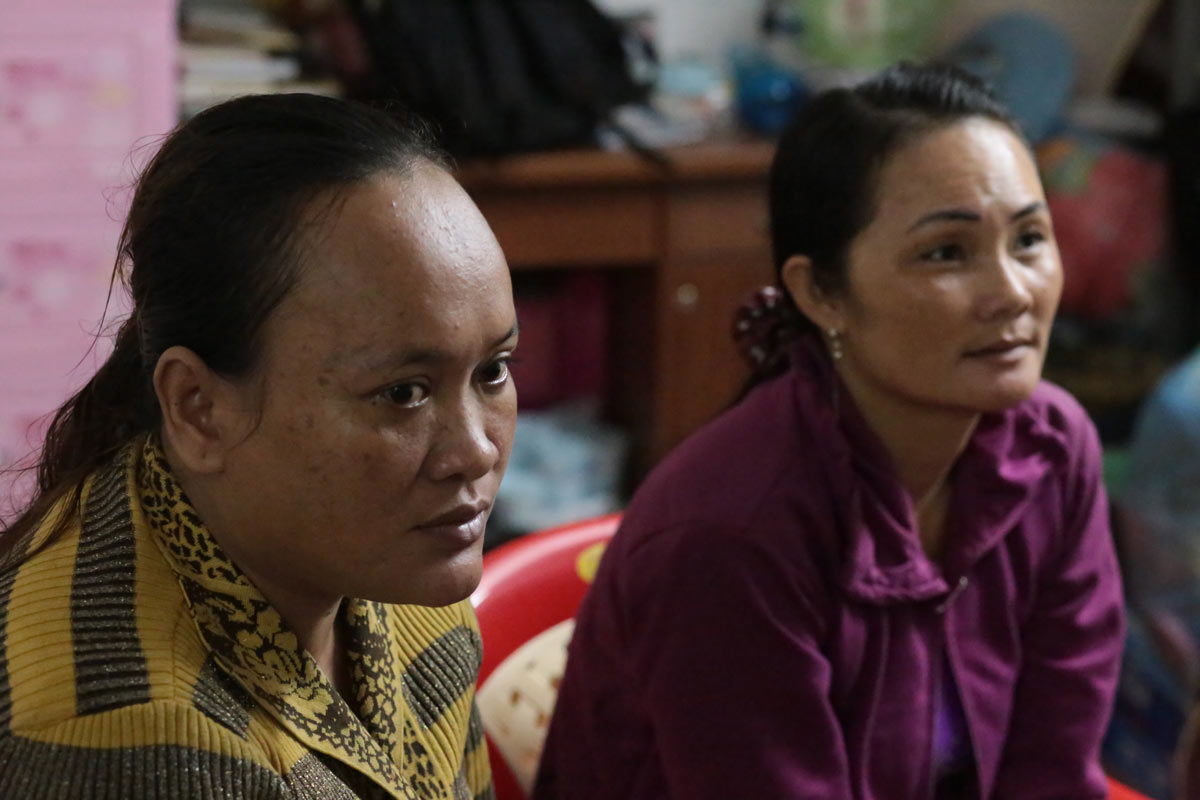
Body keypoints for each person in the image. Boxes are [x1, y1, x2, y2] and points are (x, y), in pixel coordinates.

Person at [534, 63, 1124, 799]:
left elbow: (1055, 765)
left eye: (1029, 239)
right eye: (946, 252)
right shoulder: (733, 533)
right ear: (820, 292)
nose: (1012, 292)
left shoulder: (1053, 452)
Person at [0, 93, 518, 798]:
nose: (475, 452)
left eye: (492, 371)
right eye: (403, 393)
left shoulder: (397, 572)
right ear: (199, 408)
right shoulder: (137, 741)